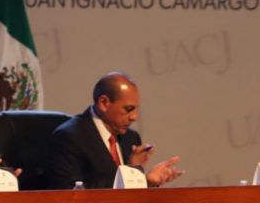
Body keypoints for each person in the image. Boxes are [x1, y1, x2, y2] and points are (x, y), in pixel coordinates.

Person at [46, 72, 184, 190]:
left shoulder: (131, 138)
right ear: (104, 103)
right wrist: (136, 179)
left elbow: (133, 198)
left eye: (136, 109)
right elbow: (69, 193)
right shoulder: (69, 137)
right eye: (128, 109)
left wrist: (146, 181)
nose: (134, 117)